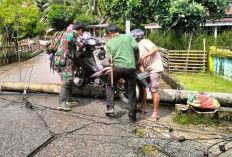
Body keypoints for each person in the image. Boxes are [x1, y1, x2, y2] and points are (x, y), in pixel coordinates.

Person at [105, 24, 139, 122]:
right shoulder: (129, 37)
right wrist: (136, 58)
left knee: (109, 86)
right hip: (130, 68)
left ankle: (110, 108)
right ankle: (132, 115)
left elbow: (110, 60)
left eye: (108, 35)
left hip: (117, 68)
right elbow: (136, 48)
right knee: (132, 91)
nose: (108, 36)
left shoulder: (110, 42)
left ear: (110, 33)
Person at [130, 29, 164, 121]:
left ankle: (155, 113)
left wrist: (144, 57)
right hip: (147, 69)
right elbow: (140, 64)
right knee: (143, 86)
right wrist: (142, 74)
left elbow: (155, 49)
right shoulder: (136, 47)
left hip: (155, 68)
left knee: (153, 90)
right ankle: (143, 107)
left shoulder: (144, 41)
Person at [54, 21, 84, 111]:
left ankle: (68, 98)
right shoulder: (70, 34)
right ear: (80, 30)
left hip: (67, 60)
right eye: (81, 31)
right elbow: (70, 39)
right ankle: (61, 103)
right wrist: (78, 41)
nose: (81, 33)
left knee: (70, 78)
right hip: (62, 61)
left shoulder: (71, 34)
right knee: (67, 79)